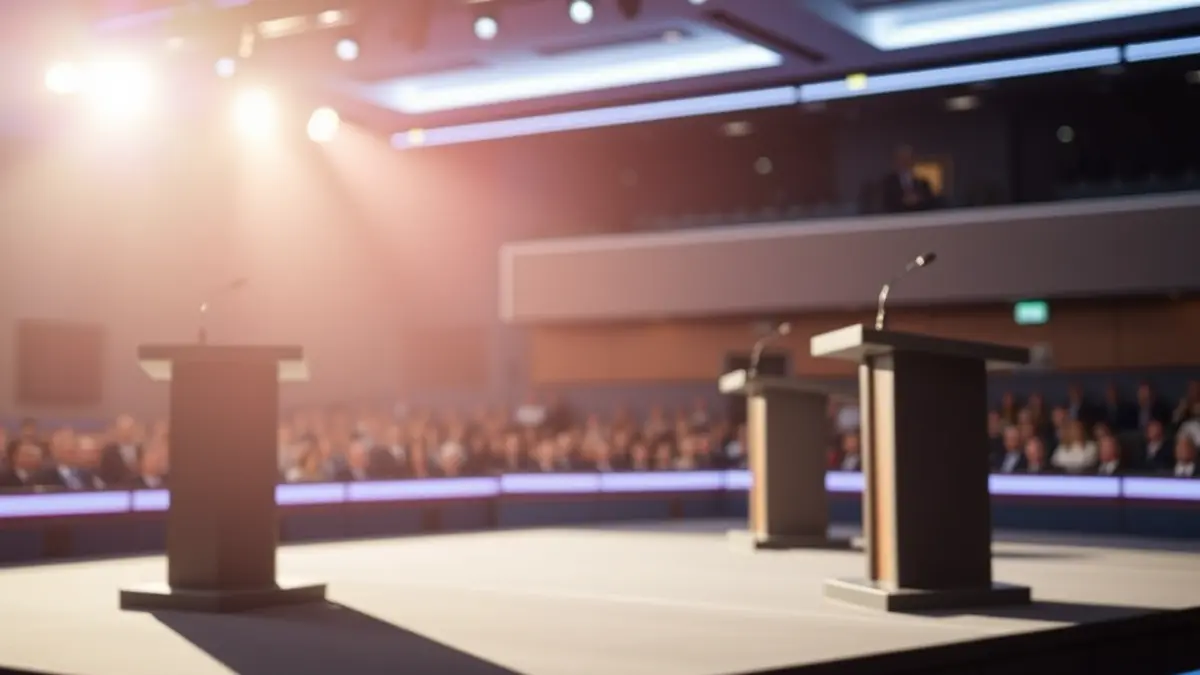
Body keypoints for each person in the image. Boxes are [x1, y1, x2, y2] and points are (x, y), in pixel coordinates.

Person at [881, 145, 936, 213]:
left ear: (912, 160)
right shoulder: (888, 182)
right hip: (897, 217)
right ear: (896, 161)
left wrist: (918, 200)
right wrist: (903, 201)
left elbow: (931, 204)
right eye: (901, 159)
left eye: (907, 159)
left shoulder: (922, 183)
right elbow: (885, 204)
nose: (905, 162)